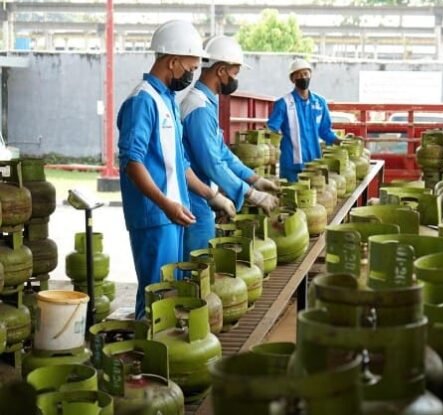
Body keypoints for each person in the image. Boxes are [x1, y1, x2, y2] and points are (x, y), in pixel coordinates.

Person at [117, 20, 236, 320]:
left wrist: (212, 196)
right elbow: (132, 162)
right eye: (191, 68)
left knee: (171, 298)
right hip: (154, 216)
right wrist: (164, 203)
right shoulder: (142, 101)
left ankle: (162, 347)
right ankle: (146, 348)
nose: (193, 75)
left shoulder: (167, 100)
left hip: (172, 214)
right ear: (172, 62)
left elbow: (181, 165)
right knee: (156, 299)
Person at [180, 35, 280, 256]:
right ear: (221, 71)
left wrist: (253, 179)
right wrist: (252, 194)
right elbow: (212, 163)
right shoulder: (198, 108)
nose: (235, 79)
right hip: (191, 196)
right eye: (235, 73)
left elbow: (222, 153)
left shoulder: (207, 102)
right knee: (198, 260)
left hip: (199, 192)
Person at [267, 58, 342, 182]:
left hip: (315, 164)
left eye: (306, 74)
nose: (303, 77)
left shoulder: (320, 102)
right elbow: (271, 131)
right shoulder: (283, 103)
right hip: (291, 165)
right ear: (292, 79)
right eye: (299, 75)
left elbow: (325, 131)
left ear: (310, 75)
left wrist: (338, 141)